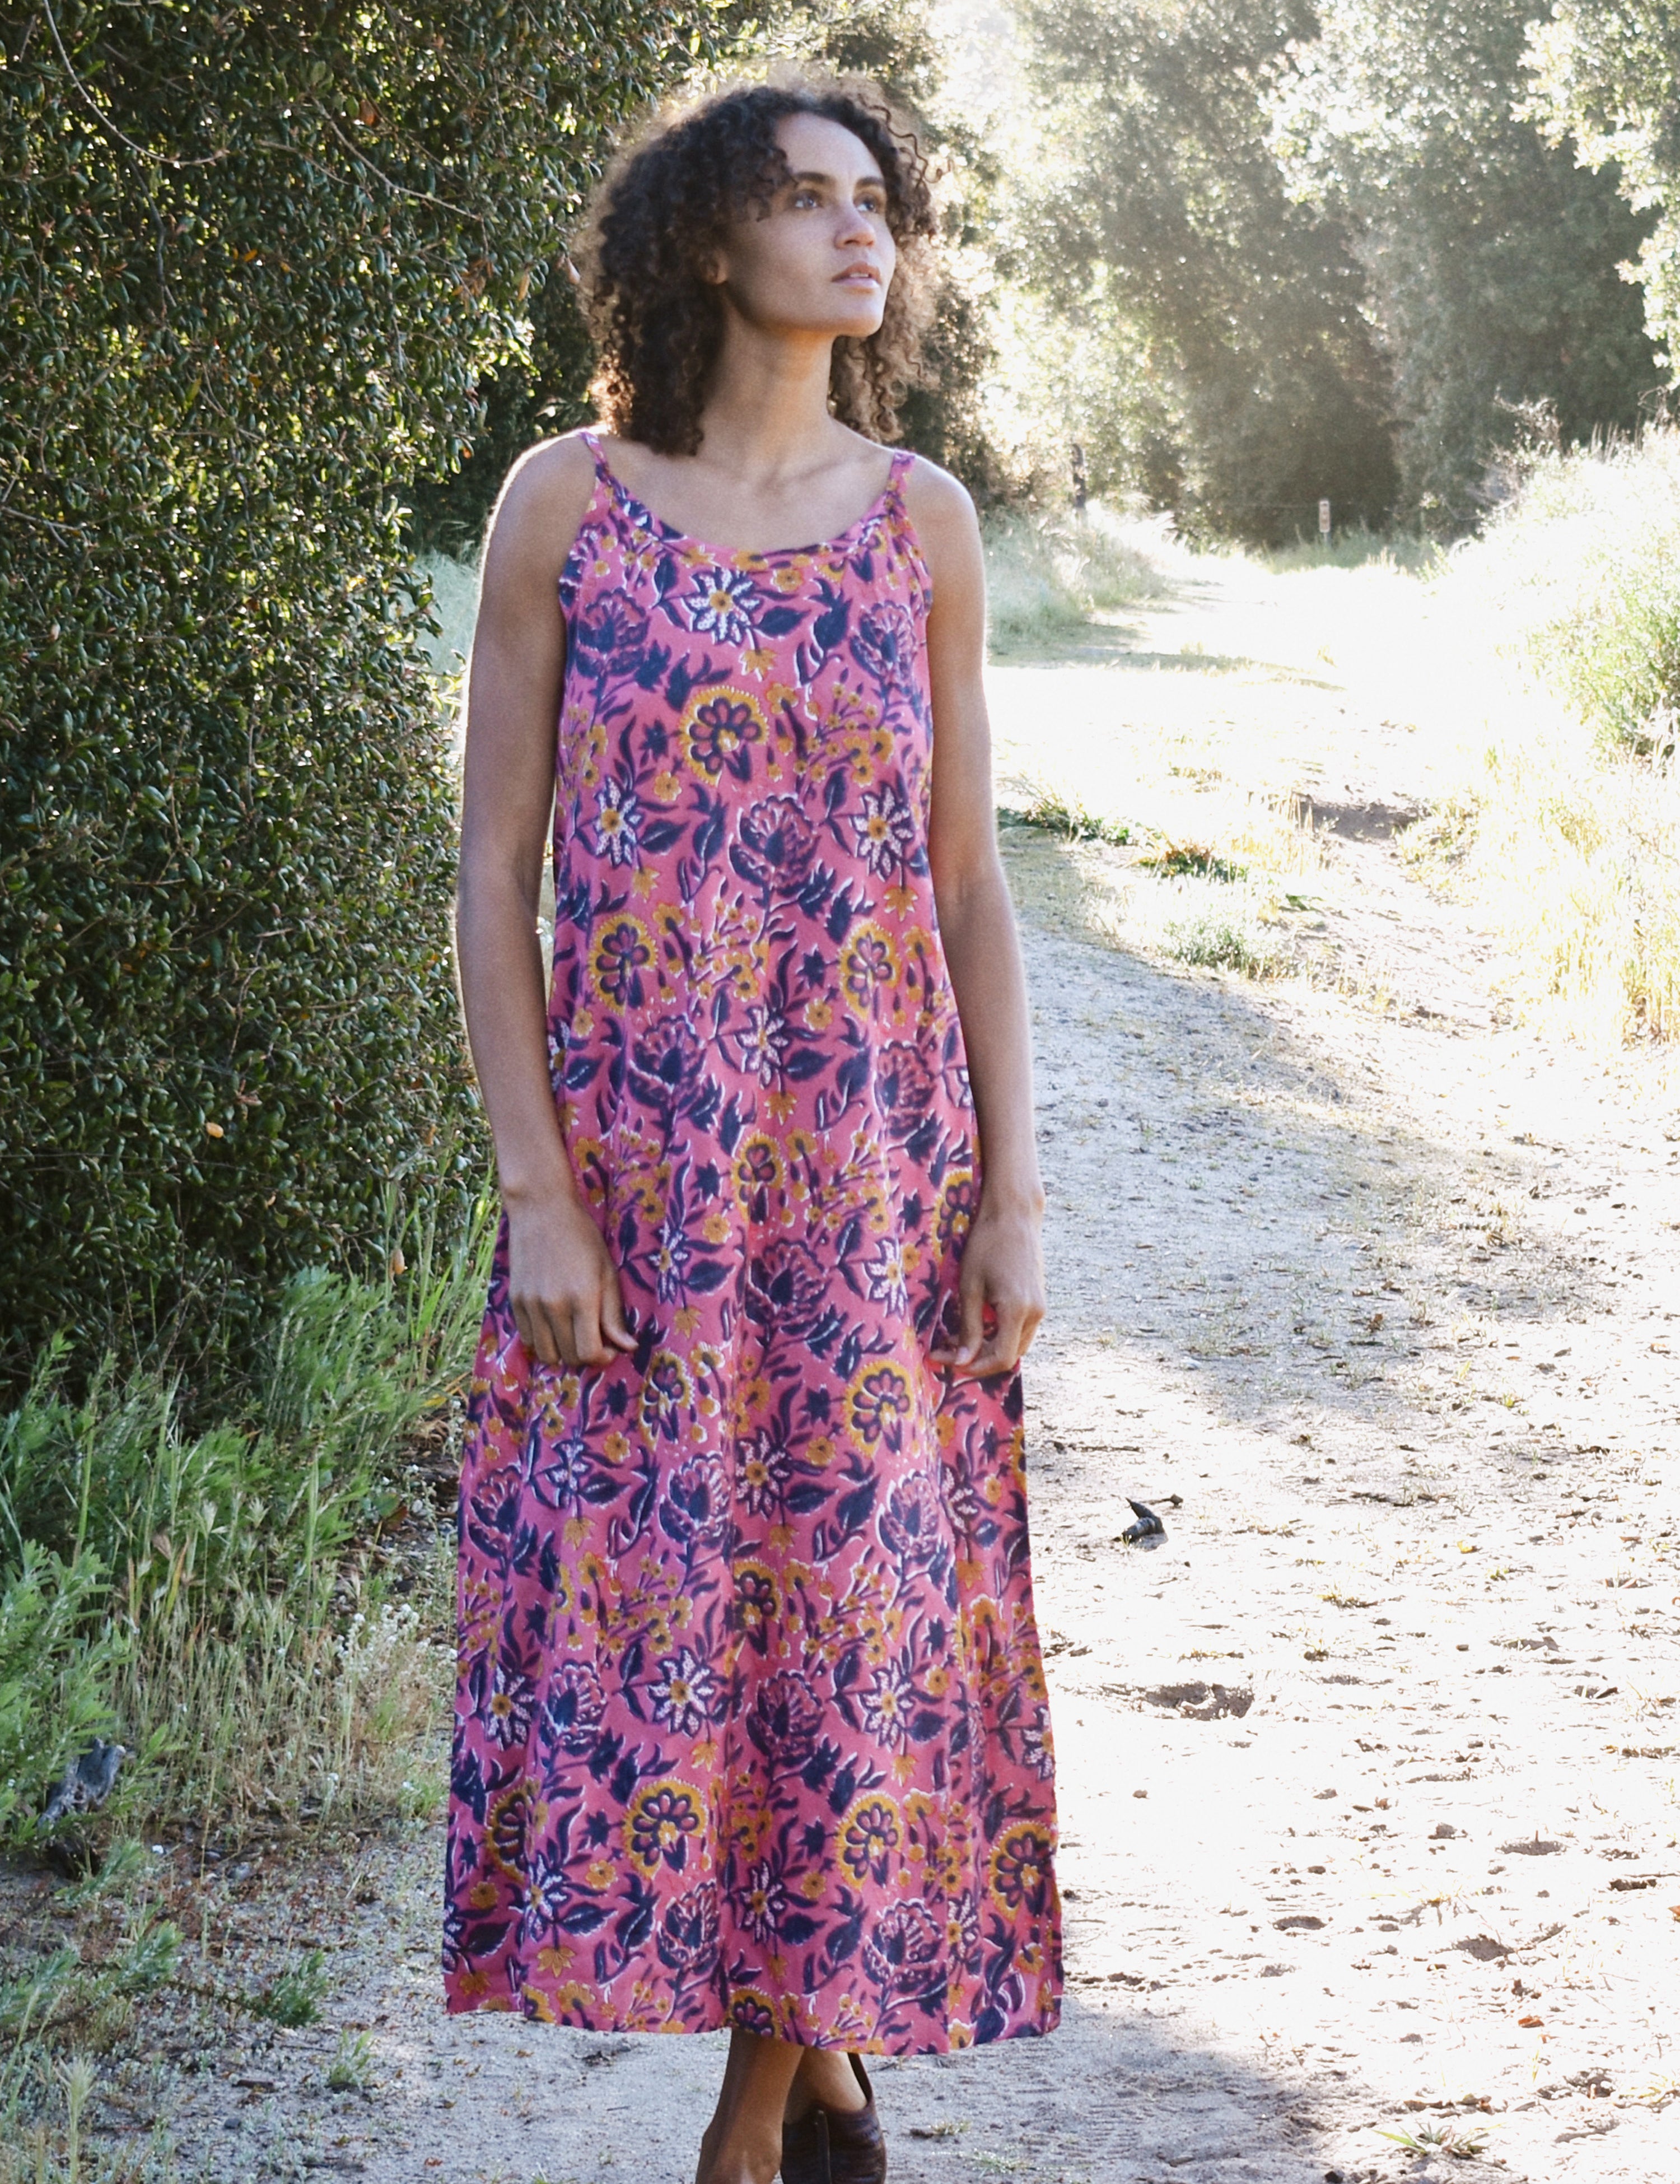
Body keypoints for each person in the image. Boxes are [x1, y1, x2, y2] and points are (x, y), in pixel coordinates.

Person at [446, 71, 1061, 2184]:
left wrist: (1012, 1193)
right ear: (710, 238)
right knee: (676, 1623)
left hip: (872, 1180)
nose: (856, 229)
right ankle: (817, 2067)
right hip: (642, 1178)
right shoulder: (567, 502)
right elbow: (492, 869)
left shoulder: (926, 522)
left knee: (845, 1620)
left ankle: (748, 2122)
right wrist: (539, 1185)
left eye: (875, 200)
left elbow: (969, 882)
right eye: (807, 198)